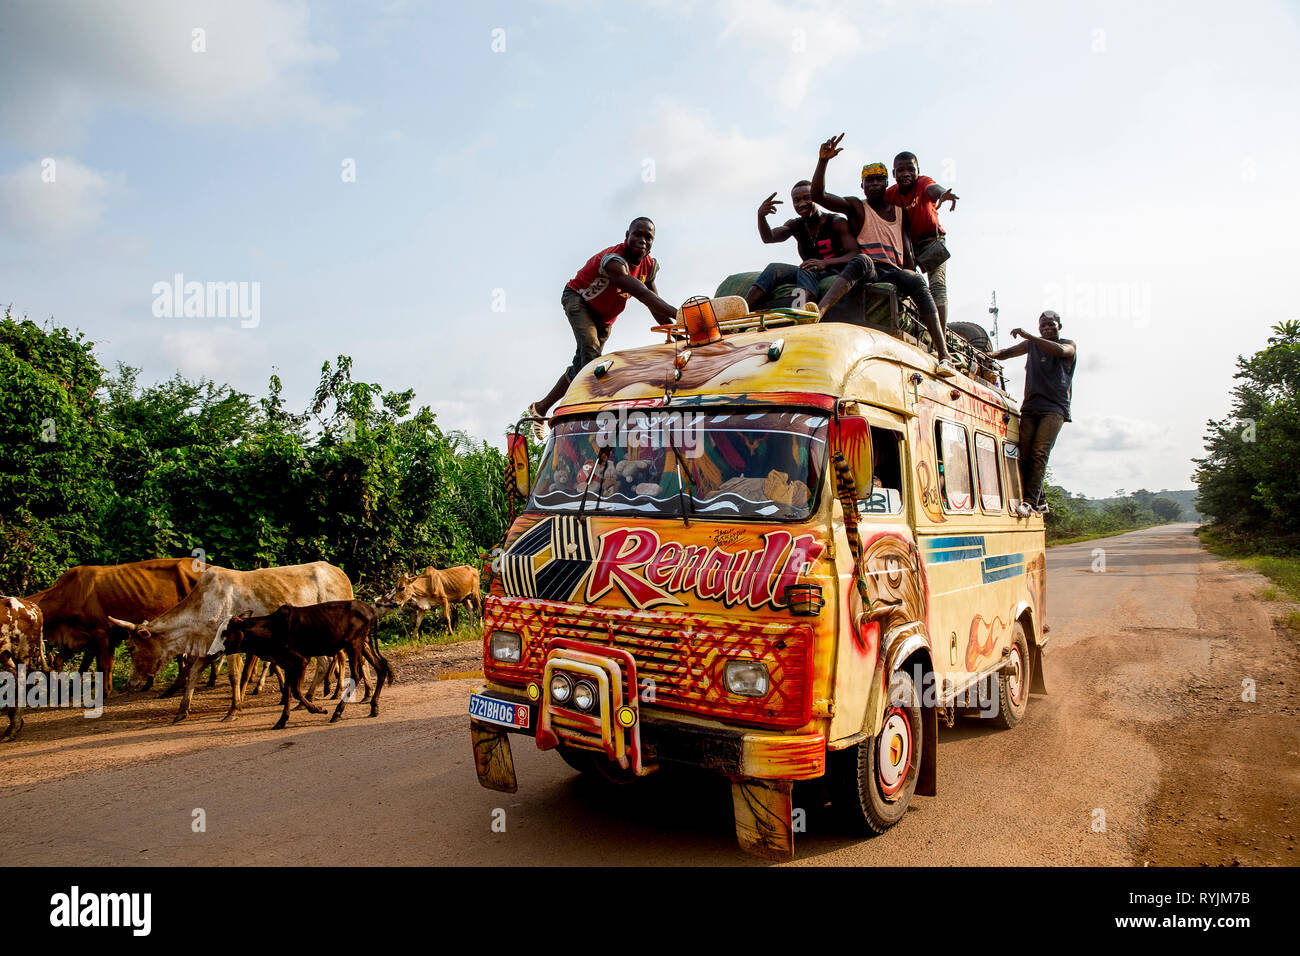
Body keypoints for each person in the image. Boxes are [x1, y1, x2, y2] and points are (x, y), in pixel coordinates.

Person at [809, 134, 955, 376]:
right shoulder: (858, 206)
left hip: (894, 271)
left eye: (879, 180)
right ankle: (818, 312)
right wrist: (823, 161)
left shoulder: (900, 212)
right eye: (870, 181)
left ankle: (944, 356)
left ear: (887, 183)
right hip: (870, 269)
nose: (875, 184)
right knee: (862, 260)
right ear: (862, 186)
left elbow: (907, 254)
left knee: (918, 280)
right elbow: (819, 196)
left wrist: (911, 274)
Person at [528, 217, 677, 439]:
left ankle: (540, 408)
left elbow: (655, 305)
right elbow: (643, 295)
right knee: (591, 353)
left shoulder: (649, 266)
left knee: (581, 365)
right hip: (579, 300)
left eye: (649, 237)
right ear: (627, 235)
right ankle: (591, 415)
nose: (642, 241)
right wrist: (681, 313)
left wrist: (677, 331)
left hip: (605, 317)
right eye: (637, 234)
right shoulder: (614, 262)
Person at [990, 310, 1077, 516]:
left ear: (1059, 327)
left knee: (1039, 452)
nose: (1047, 328)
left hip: (1054, 409)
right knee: (1025, 452)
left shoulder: (1068, 345)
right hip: (1030, 405)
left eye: (1051, 325)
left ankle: (1029, 502)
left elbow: (1060, 351)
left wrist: (1029, 336)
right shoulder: (1032, 345)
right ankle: (1041, 499)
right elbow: (1007, 353)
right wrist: (988, 355)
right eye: (1043, 326)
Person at [744, 181, 858, 310]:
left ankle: (801, 311)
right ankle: (743, 309)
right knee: (774, 268)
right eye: (796, 200)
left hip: (834, 269)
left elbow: (854, 253)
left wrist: (825, 263)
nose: (801, 204)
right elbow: (769, 237)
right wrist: (761, 217)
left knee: (806, 269)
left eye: (807, 198)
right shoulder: (796, 225)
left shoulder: (836, 222)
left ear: (816, 198)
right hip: (808, 270)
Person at [886, 151, 958, 326]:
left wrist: (942, 195)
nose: (906, 174)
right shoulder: (890, 194)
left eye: (910, 169)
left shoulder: (923, 182)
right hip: (906, 245)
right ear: (894, 174)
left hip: (931, 241)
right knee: (908, 285)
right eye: (900, 170)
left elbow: (933, 189)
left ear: (918, 171)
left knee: (937, 287)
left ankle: (939, 335)